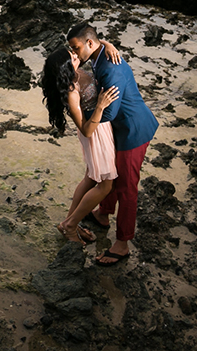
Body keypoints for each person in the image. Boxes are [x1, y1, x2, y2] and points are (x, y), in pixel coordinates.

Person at [67, 22, 159, 266]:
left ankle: (122, 243)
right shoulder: (99, 54)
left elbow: (109, 112)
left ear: (88, 43)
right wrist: (106, 42)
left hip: (132, 130)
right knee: (111, 174)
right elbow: (92, 44)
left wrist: (84, 121)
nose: (74, 54)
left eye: (76, 49)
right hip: (119, 130)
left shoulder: (110, 69)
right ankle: (104, 214)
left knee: (127, 187)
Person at [40, 45, 120, 247]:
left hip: (102, 128)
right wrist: (101, 106)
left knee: (90, 178)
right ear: (66, 67)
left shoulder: (78, 70)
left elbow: (91, 44)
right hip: (95, 133)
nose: (76, 55)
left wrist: (107, 45)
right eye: (72, 56)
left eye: (73, 52)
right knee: (105, 185)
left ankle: (68, 224)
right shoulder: (71, 92)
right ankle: (70, 225)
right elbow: (85, 129)